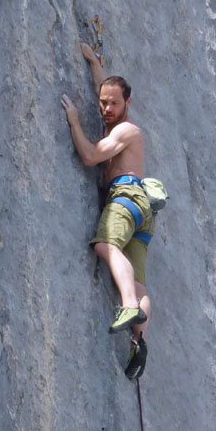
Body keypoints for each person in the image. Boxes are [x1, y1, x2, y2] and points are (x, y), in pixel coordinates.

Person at [61, 44, 153, 378]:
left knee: (105, 245)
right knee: (138, 282)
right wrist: (92, 61)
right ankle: (139, 342)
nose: (107, 108)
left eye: (115, 103)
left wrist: (73, 122)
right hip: (141, 209)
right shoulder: (115, 117)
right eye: (103, 103)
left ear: (129, 103)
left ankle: (129, 307)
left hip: (125, 197)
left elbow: (90, 155)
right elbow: (105, 87)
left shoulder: (126, 130)